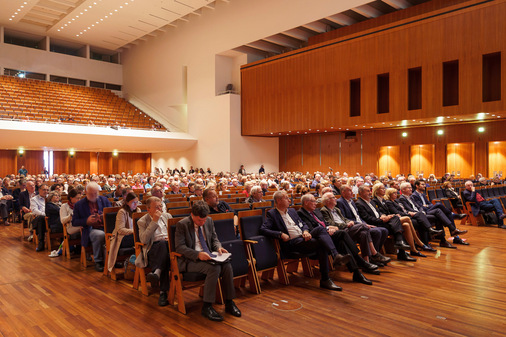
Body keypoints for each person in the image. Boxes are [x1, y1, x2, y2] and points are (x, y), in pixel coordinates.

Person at [260, 191, 347, 291]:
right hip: (292, 242)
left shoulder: (292, 211)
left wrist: (305, 231)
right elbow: (263, 229)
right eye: (286, 198)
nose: (289, 200)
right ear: (279, 200)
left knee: (320, 229)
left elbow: (303, 224)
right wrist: (280, 234)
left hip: (303, 237)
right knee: (321, 242)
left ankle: (329, 270)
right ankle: (327, 274)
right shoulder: (272, 213)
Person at [175, 201, 241, 321]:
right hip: (190, 260)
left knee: (226, 265)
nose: (203, 223)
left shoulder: (209, 220)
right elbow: (180, 247)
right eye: (200, 220)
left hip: (209, 256)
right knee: (214, 268)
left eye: (204, 220)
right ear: (192, 215)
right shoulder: (182, 224)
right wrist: (198, 254)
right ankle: (207, 306)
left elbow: (214, 239)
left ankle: (229, 302)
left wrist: (218, 247)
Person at [297, 193, 377, 285]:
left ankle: (357, 273)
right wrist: (327, 229)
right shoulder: (300, 213)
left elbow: (325, 223)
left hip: (327, 234)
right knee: (342, 233)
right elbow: (311, 229)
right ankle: (360, 262)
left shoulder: (316, 211)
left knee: (342, 243)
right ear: (306, 202)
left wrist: (330, 227)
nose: (316, 203)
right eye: (313, 201)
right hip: (318, 237)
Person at [355, 185, 414, 261]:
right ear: (361, 192)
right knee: (398, 224)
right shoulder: (359, 203)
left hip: (381, 221)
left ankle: (402, 249)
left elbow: (378, 212)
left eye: (370, 190)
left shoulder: (371, 202)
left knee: (397, 220)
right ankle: (401, 247)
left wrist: (383, 216)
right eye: (367, 191)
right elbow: (367, 218)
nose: (370, 192)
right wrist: (382, 220)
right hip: (376, 223)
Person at [336, 185, 390, 266]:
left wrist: (365, 223)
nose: (352, 192)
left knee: (384, 230)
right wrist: (362, 224)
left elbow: (359, 217)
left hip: (361, 224)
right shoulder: (340, 202)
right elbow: (345, 218)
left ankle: (374, 256)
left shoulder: (351, 202)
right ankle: (373, 256)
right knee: (377, 231)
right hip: (353, 227)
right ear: (343, 192)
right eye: (350, 190)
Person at [398, 182, 459, 248]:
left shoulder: (411, 197)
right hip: (417, 215)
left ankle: (445, 238)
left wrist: (421, 211)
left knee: (438, 212)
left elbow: (419, 206)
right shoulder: (402, 198)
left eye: (410, 187)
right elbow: (409, 209)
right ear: (403, 190)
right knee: (438, 211)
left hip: (422, 213)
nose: (411, 189)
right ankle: (447, 234)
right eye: (409, 188)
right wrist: (420, 212)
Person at [136, 197, 172, 307]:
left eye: (161, 206)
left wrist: (170, 239)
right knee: (162, 245)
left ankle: (157, 273)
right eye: (156, 207)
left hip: (169, 246)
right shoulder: (142, 221)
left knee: (164, 246)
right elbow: (143, 240)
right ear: (148, 209)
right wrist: (154, 221)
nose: (160, 209)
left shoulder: (167, 216)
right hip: (153, 249)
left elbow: (175, 233)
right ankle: (162, 292)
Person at [72, 182, 112, 272]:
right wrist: (86, 220)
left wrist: (104, 216)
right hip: (90, 229)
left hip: (105, 226)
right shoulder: (79, 204)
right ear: (86, 192)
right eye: (91, 193)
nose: (94, 195)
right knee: (99, 235)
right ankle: (98, 261)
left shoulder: (104, 200)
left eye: (96, 193)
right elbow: (74, 222)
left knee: (117, 234)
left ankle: (112, 260)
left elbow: (111, 213)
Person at [384, 188, 438, 252]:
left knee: (420, 219)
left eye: (396, 193)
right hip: (400, 218)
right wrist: (408, 213)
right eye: (394, 193)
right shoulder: (389, 202)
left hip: (404, 216)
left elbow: (403, 209)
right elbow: (396, 212)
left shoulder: (396, 201)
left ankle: (424, 242)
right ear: (389, 194)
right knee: (419, 220)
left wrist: (408, 212)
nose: (396, 194)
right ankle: (422, 240)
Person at [107, 192, 141, 273]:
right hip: (121, 238)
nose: (135, 204)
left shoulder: (138, 210)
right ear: (127, 202)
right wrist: (134, 231)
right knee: (141, 239)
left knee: (144, 237)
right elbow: (120, 229)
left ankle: (141, 265)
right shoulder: (122, 211)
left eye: (137, 202)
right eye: (133, 202)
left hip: (133, 235)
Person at [31, 184, 50, 251]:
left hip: (50, 217)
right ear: (39, 190)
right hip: (41, 218)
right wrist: (44, 215)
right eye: (44, 189)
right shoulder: (34, 199)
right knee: (40, 219)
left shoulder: (50, 198)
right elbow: (34, 210)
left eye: (47, 190)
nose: (46, 191)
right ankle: (41, 242)